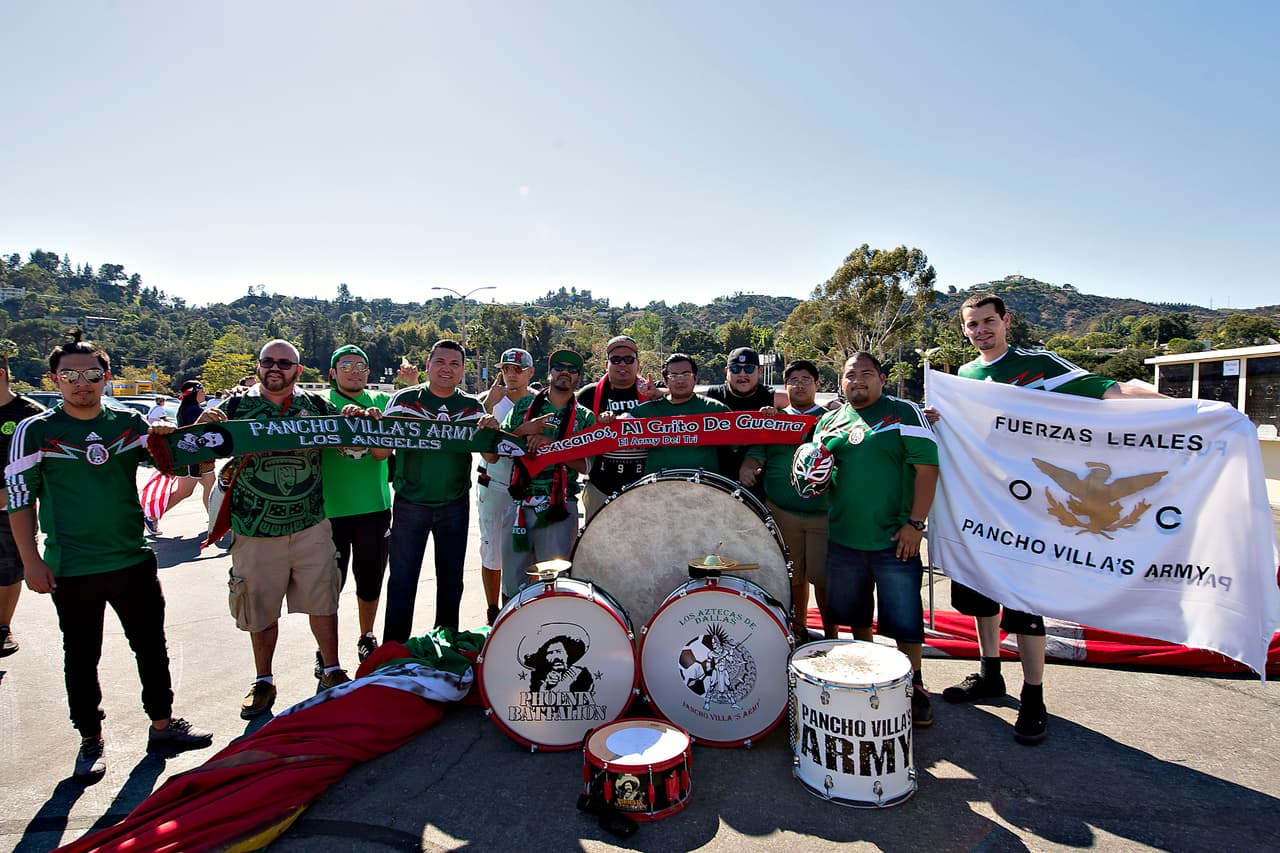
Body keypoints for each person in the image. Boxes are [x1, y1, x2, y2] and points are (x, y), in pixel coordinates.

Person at [931, 293, 1166, 745]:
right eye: (972, 325)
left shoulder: (1041, 366)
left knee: (1024, 604)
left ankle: (1034, 695)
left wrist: (1186, 412)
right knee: (981, 594)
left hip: (1031, 510)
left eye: (987, 322)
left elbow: (1110, 392)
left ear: (1006, 320)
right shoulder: (964, 377)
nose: (980, 330)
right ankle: (990, 673)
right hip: (980, 503)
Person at [8, 336, 212, 780]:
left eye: (93, 375)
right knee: (81, 655)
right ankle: (90, 739)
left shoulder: (131, 422)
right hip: (72, 565)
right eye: (70, 376)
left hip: (131, 558)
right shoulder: (36, 430)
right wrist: (30, 560)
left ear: (107, 377)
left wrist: (169, 439)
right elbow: (19, 500)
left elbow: (172, 467)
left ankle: (162, 725)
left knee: (151, 646)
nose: (82, 384)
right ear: (54, 380)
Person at [198, 339, 367, 719]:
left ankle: (332, 670)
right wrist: (200, 427)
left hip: (310, 525)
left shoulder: (316, 406)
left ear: (298, 369)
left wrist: (355, 419)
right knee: (259, 609)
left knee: (324, 601)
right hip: (255, 529)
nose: (276, 368)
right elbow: (199, 453)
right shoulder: (235, 407)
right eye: (268, 361)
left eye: (285, 363)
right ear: (258, 366)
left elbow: (351, 447)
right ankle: (263, 680)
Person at [816, 352, 939, 727]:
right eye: (850, 375)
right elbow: (818, 470)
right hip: (843, 536)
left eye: (866, 374)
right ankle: (869, 677)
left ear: (882, 379)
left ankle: (914, 685)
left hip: (894, 538)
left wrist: (915, 524)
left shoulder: (904, 412)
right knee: (854, 616)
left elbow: (928, 469)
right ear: (840, 381)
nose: (857, 381)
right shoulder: (830, 421)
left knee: (904, 618)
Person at [383, 340, 499, 642]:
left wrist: (491, 431)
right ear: (427, 366)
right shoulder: (403, 400)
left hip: (454, 505)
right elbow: (379, 454)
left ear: (462, 370)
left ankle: (445, 645)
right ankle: (393, 652)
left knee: (451, 582)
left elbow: (492, 457)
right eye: (440, 362)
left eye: (454, 364)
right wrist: (378, 424)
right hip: (411, 503)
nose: (447, 369)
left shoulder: (473, 407)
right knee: (402, 582)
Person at [740, 359, 835, 640]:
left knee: (824, 582)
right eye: (793, 380)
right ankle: (798, 631)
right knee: (792, 578)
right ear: (785, 386)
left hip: (823, 514)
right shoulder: (775, 420)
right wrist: (748, 467)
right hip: (782, 513)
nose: (800, 385)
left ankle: (832, 637)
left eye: (806, 379)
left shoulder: (833, 420)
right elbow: (756, 454)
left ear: (817, 385)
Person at [496, 349, 595, 601]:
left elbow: (587, 466)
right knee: (512, 582)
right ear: (549, 373)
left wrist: (551, 448)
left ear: (578, 379)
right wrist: (524, 430)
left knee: (556, 582)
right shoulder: (523, 407)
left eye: (572, 370)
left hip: (559, 507)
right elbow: (499, 447)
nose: (565, 372)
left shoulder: (584, 417)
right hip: (519, 503)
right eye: (559, 366)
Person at [322, 345, 393, 662]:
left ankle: (366, 635)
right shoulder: (319, 404)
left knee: (370, 579)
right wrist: (341, 421)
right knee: (327, 586)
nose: (354, 371)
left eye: (361, 366)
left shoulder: (380, 402)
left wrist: (374, 426)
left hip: (373, 508)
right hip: (328, 511)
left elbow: (382, 454)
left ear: (369, 372)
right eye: (346, 365)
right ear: (333, 373)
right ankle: (326, 650)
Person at [476, 347, 535, 624]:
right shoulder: (487, 400)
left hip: (531, 485)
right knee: (492, 549)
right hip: (495, 482)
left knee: (525, 549)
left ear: (530, 372)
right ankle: (491, 609)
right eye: (506, 369)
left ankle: (520, 604)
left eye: (518, 369)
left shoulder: (540, 401)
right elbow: (482, 445)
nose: (511, 374)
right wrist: (487, 406)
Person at [576, 335, 661, 519]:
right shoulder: (588, 395)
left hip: (646, 487)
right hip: (600, 488)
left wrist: (660, 396)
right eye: (616, 359)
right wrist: (597, 424)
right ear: (607, 364)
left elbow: (684, 401)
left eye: (628, 359)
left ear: (637, 363)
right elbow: (572, 434)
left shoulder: (654, 391)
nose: (622, 364)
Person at [0, 344, 46, 656]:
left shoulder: (30, 417)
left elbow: (45, 467)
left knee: (7, 570)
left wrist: (8, 494)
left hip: (11, 509)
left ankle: (2, 627)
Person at [630, 353, 730, 474]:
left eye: (686, 374)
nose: (680, 380)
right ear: (665, 381)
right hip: (656, 488)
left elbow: (746, 437)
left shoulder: (714, 409)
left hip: (704, 487)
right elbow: (614, 434)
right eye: (674, 375)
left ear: (696, 378)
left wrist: (751, 464)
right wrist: (607, 418)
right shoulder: (643, 411)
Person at [145, 380, 216, 536]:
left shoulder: (189, 408)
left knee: (210, 488)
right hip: (193, 456)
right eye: (202, 390)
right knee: (186, 491)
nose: (204, 393)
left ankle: (215, 521)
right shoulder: (194, 410)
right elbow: (195, 433)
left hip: (199, 456)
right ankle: (151, 516)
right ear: (196, 391)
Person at [705, 347, 780, 490]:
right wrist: (657, 392)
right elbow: (680, 395)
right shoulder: (713, 395)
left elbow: (804, 401)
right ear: (726, 371)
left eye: (749, 369)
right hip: (716, 481)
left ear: (759, 371)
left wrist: (831, 403)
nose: (742, 374)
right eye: (735, 369)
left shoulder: (770, 397)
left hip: (757, 483)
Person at [525, 634, 595, 694]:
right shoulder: (537, 676)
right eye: (550, 653)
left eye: (558, 651)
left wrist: (564, 685)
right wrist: (545, 687)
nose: (556, 657)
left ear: (567, 653)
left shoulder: (581, 674)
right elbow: (532, 704)